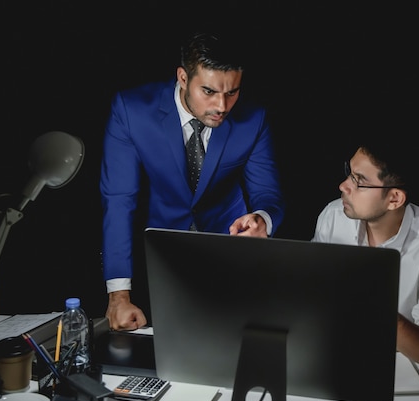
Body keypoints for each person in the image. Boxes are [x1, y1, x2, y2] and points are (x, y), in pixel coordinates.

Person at [100, 31, 285, 331]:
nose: (223, 106)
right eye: (209, 92)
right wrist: (119, 295)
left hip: (231, 256)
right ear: (183, 78)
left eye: (232, 92)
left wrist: (263, 220)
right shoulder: (131, 111)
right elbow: (118, 200)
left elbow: (268, 194)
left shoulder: (254, 118)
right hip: (161, 256)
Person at [311, 142, 419, 370]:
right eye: (349, 173)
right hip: (337, 357)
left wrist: (375, 307)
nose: (344, 186)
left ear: (394, 198)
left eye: (359, 181)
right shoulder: (333, 216)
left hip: (409, 372)